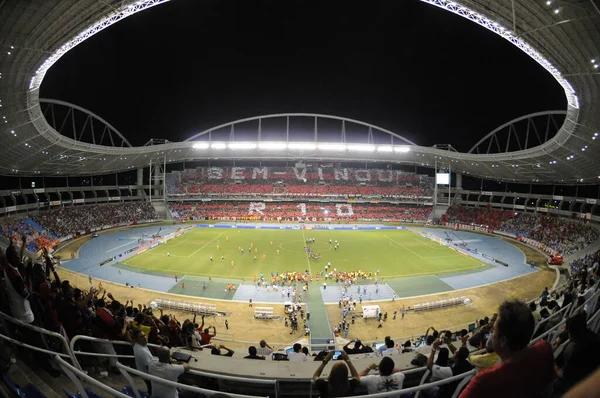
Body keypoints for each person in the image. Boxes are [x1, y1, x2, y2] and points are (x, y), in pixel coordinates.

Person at [459, 300, 554, 398]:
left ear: (503, 340)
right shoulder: (544, 348)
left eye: (494, 331)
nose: (491, 334)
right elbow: (548, 389)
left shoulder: (483, 380)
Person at [133, 329, 155, 395]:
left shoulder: (138, 345)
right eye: (141, 337)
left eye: (144, 335)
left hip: (143, 373)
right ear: (136, 340)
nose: (145, 337)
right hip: (148, 375)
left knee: (151, 389)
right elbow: (149, 367)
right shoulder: (142, 352)